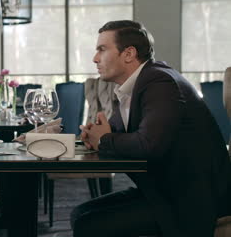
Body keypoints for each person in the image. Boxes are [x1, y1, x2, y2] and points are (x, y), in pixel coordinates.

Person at [71, 20, 231, 237]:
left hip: (192, 200)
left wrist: (104, 139)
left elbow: (148, 144)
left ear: (128, 54)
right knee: (80, 214)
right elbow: (115, 134)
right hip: (163, 192)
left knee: (88, 224)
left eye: (102, 49)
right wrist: (93, 136)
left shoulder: (159, 81)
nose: (95, 58)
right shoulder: (134, 86)